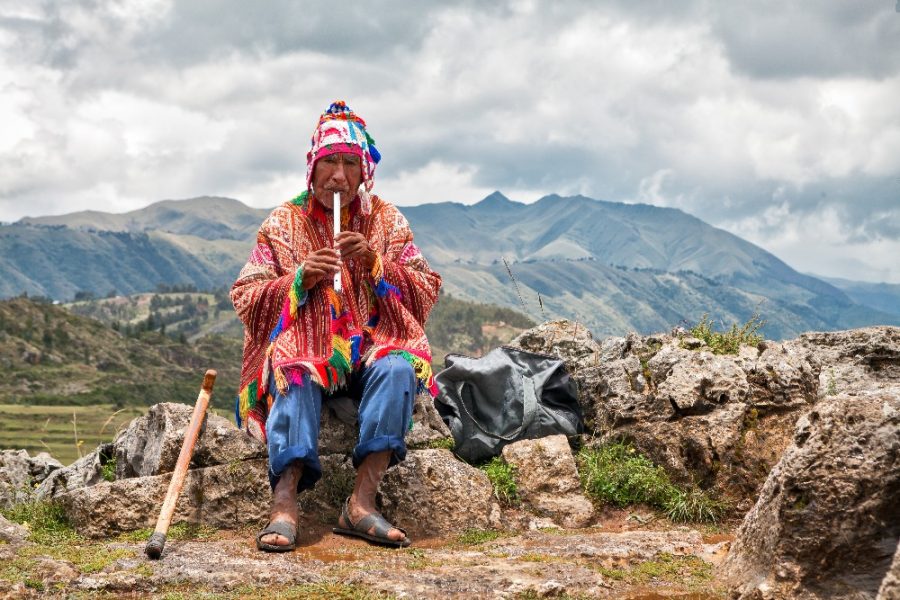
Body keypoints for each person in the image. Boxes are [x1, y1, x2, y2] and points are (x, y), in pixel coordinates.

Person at [231, 100, 442, 551]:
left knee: (399, 368)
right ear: (313, 167)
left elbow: (425, 288)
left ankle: (361, 504)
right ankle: (284, 502)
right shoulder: (283, 223)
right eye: (331, 162)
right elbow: (246, 296)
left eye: (350, 164)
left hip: (368, 349)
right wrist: (299, 280)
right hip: (309, 351)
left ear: (365, 171)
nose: (340, 176)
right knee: (294, 365)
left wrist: (374, 262)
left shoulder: (386, 220)